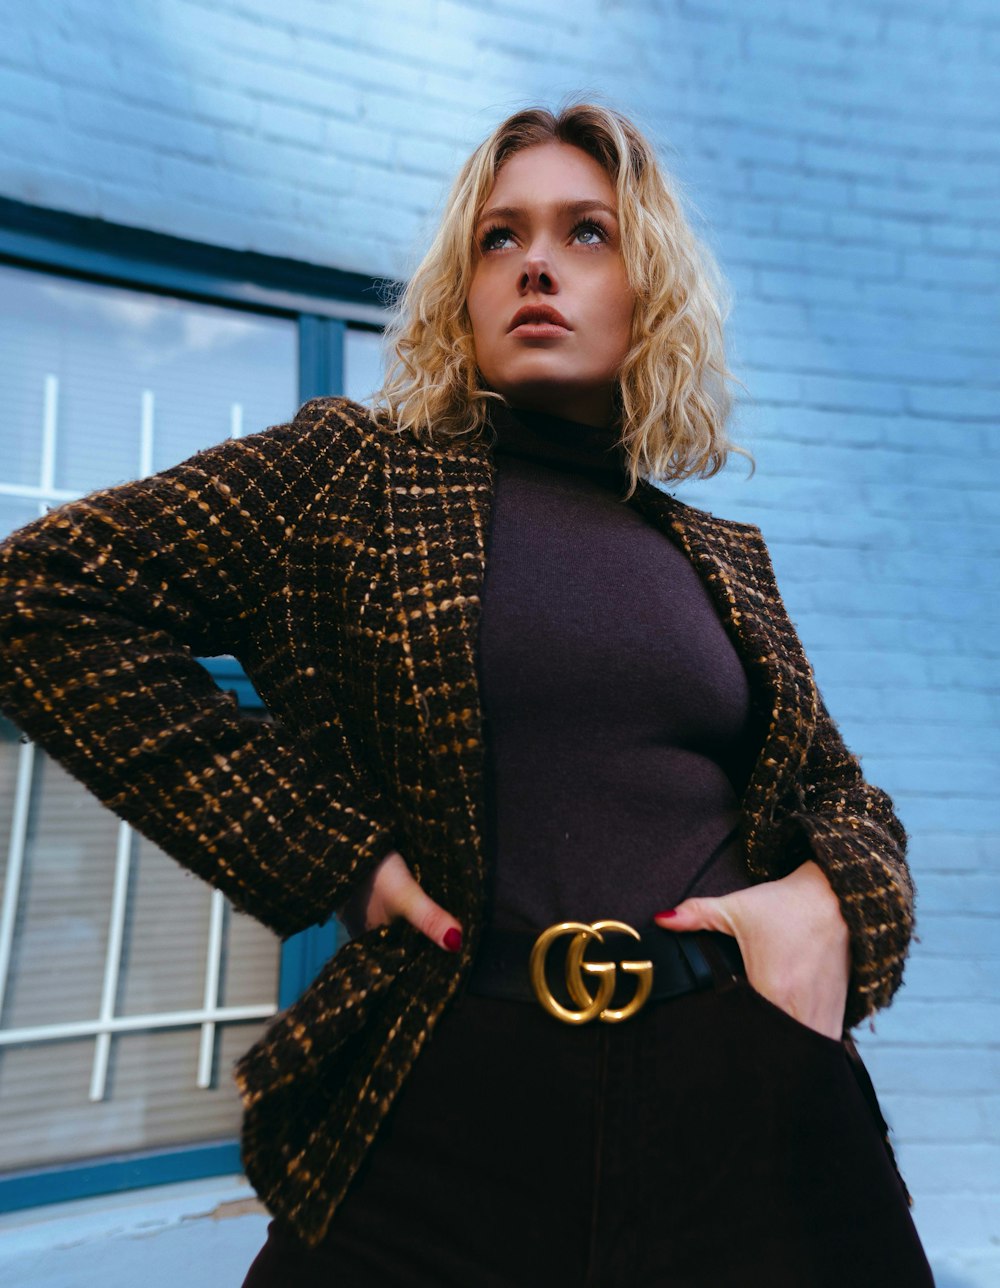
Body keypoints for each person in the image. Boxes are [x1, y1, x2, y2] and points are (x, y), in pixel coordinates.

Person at [0, 103, 935, 1287]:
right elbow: (42, 592)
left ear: (649, 287)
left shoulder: (719, 553)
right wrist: (330, 851)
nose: (536, 261)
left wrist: (829, 902)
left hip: (755, 1104)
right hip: (447, 1093)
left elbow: (840, 794)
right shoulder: (352, 476)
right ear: (463, 287)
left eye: (586, 232)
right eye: (500, 238)